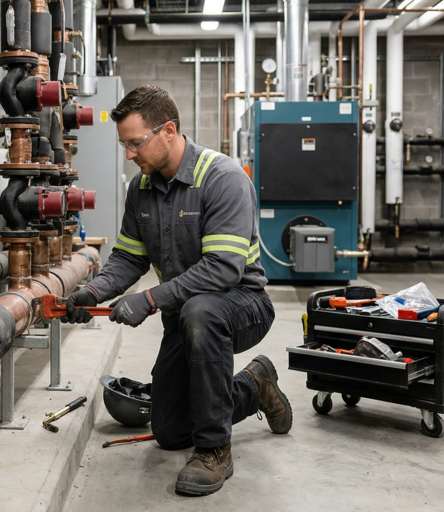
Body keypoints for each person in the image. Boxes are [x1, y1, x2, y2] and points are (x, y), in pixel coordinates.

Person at [63, 85, 291, 496]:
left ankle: (215, 450)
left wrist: (149, 299)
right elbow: (129, 258)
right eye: (124, 145)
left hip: (242, 307)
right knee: (169, 430)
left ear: (168, 131)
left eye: (136, 143)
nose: (129, 155)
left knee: (201, 312)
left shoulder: (223, 179)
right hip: (184, 314)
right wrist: (92, 292)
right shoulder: (141, 189)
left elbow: (222, 270)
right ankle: (255, 386)